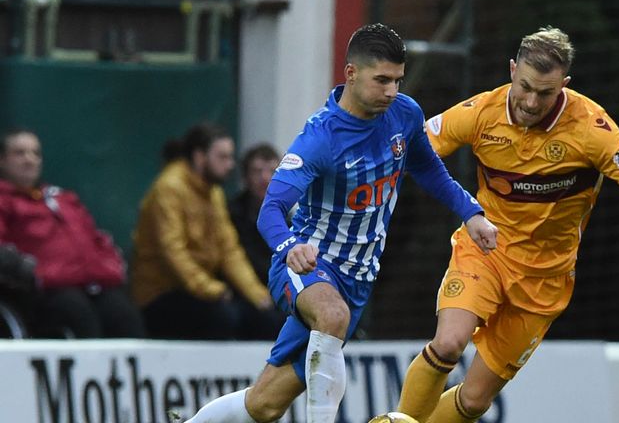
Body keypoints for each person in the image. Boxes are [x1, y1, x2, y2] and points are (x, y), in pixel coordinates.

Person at [182, 23, 497, 423]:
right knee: (332, 316)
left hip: (357, 280)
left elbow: (429, 170)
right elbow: (271, 209)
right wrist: (289, 247)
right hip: (309, 266)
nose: (391, 91)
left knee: (264, 404)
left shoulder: (404, 114)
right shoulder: (321, 137)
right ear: (351, 74)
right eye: (381, 80)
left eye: (397, 80)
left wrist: (471, 213)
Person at [395, 26, 619, 423]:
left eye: (545, 92)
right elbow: (410, 150)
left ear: (564, 85)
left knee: (475, 401)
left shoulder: (592, 129)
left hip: (545, 280)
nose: (531, 102)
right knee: (448, 343)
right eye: (525, 87)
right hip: (485, 250)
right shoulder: (480, 112)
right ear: (512, 69)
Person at [131, 123, 282, 341]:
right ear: (200, 157)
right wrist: (212, 289)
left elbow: (230, 251)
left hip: (198, 292)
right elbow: (173, 253)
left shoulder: (214, 193)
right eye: (222, 157)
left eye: (230, 157)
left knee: (265, 318)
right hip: (160, 293)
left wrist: (258, 295)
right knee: (224, 317)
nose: (230, 165)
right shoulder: (169, 189)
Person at [0, 129, 145, 338]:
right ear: (2, 160)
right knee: (78, 313)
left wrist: (110, 265)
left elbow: (96, 238)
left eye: (35, 153)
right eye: (20, 153)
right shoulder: (4, 200)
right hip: (44, 290)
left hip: (92, 284)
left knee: (124, 315)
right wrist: (29, 272)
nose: (29, 160)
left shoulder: (62, 199)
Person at [228, 144, 281, 284]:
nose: (265, 178)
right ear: (245, 177)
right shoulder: (231, 213)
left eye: (272, 171)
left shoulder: (287, 217)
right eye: (257, 171)